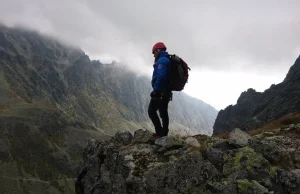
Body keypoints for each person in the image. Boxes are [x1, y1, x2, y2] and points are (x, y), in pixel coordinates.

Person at [148, 42, 172, 142]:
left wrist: (156, 90)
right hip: (166, 92)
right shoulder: (167, 59)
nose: (154, 55)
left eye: (154, 53)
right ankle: (164, 133)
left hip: (160, 92)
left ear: (158, 51)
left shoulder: (162, 60)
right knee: (163, 112)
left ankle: (159, 133)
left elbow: (161, 76)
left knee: (151, 111)